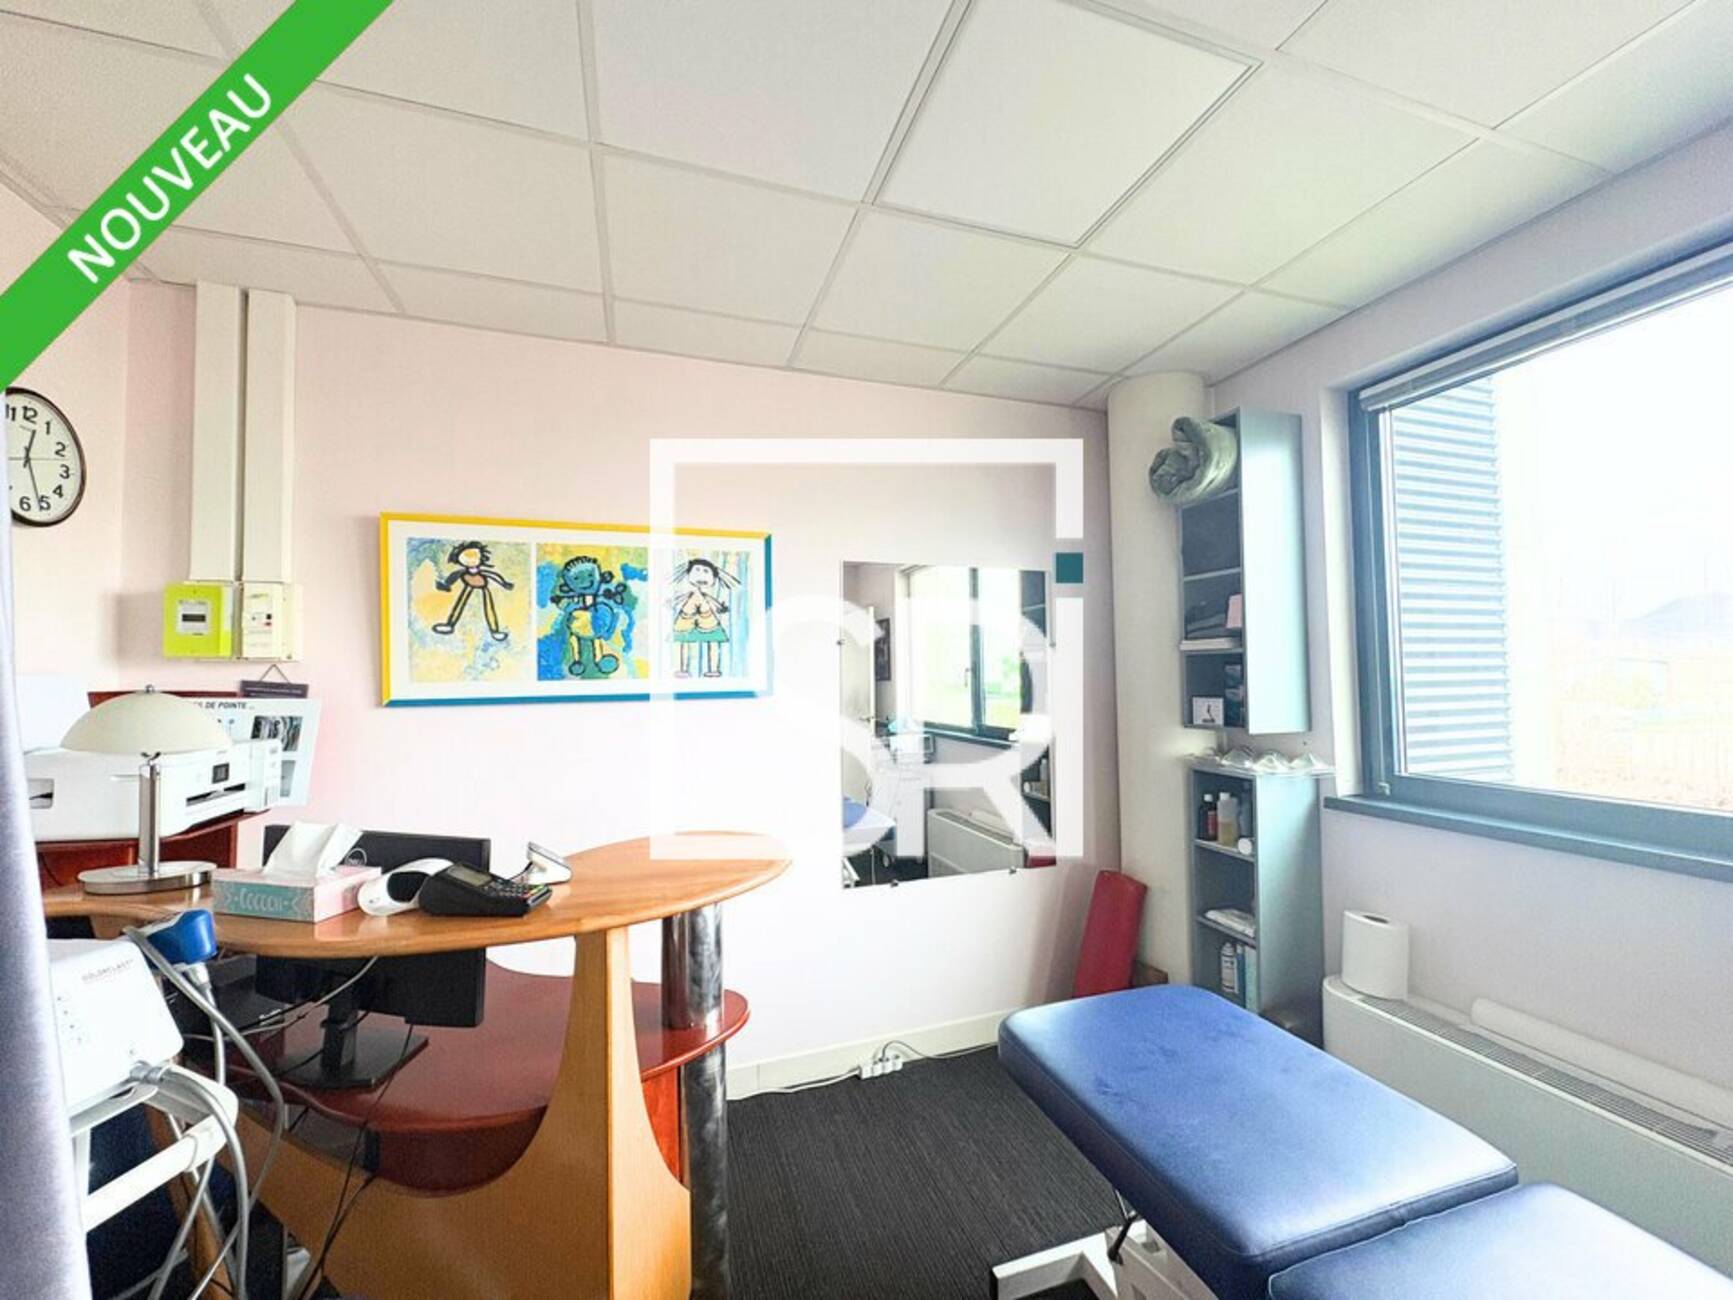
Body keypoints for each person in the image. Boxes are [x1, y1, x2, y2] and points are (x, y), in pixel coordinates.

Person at [432, 541, 514, 641]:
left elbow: (493, 575)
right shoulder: (461, 572)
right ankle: (450, 624)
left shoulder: (483, 572)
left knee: (489, 607)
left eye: (474, 557)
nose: (470, 560)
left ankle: (495, 630)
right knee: (460, 604)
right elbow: (453, 577)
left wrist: (504, 583)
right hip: (468, 586)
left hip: (483, 588)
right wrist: (446, 585)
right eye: (466, 558)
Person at [670, 557, 735, 678]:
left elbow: (714, 603)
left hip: (707, 620)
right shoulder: (690, 594)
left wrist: (721, 607)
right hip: (686, 620)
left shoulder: (705, 596)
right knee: (684, 641)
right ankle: (682, 669)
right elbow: (679, 599)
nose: (701, 575)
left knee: (713, 641)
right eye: (697, 570)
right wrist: (672, 603)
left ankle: (714, 670)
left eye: (706, 571)